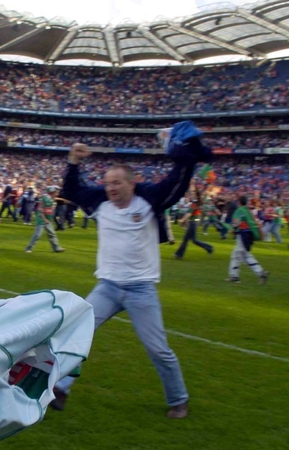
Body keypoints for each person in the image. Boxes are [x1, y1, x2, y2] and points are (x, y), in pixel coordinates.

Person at [52, 141, 202, 419]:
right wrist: (73, 162)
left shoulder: (149, 200)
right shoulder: (100, 202)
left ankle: (178, 400)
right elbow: (71, 191)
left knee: (158, 349)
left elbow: (174, 185)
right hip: (107, 287)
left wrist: (185, 160)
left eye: (117, 183)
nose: (111, 188)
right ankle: (60, 388)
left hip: (140, 290)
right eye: (108, 183)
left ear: (132, 184)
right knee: (76, 333)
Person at [226, 195, 269, 285]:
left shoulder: (240, 210)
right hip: (249, 235)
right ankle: (234, 276)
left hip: (243, 235)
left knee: (242, 256)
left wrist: (233, 229)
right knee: (238, 255)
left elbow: (237, 221)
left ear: (239, 202)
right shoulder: (248, 210)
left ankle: (260, 273)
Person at [24, 186, 65, 253]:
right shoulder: (44, 198)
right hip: (41, 219)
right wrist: (45, 219)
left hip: (48, 219)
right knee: (37, 235)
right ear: (52, 192)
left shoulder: (51, 198)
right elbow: (40, 210)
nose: (57, 193)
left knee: (52, 233)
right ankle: (28, 248)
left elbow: (53, 204)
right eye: (56, 191)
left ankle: (56, 248)